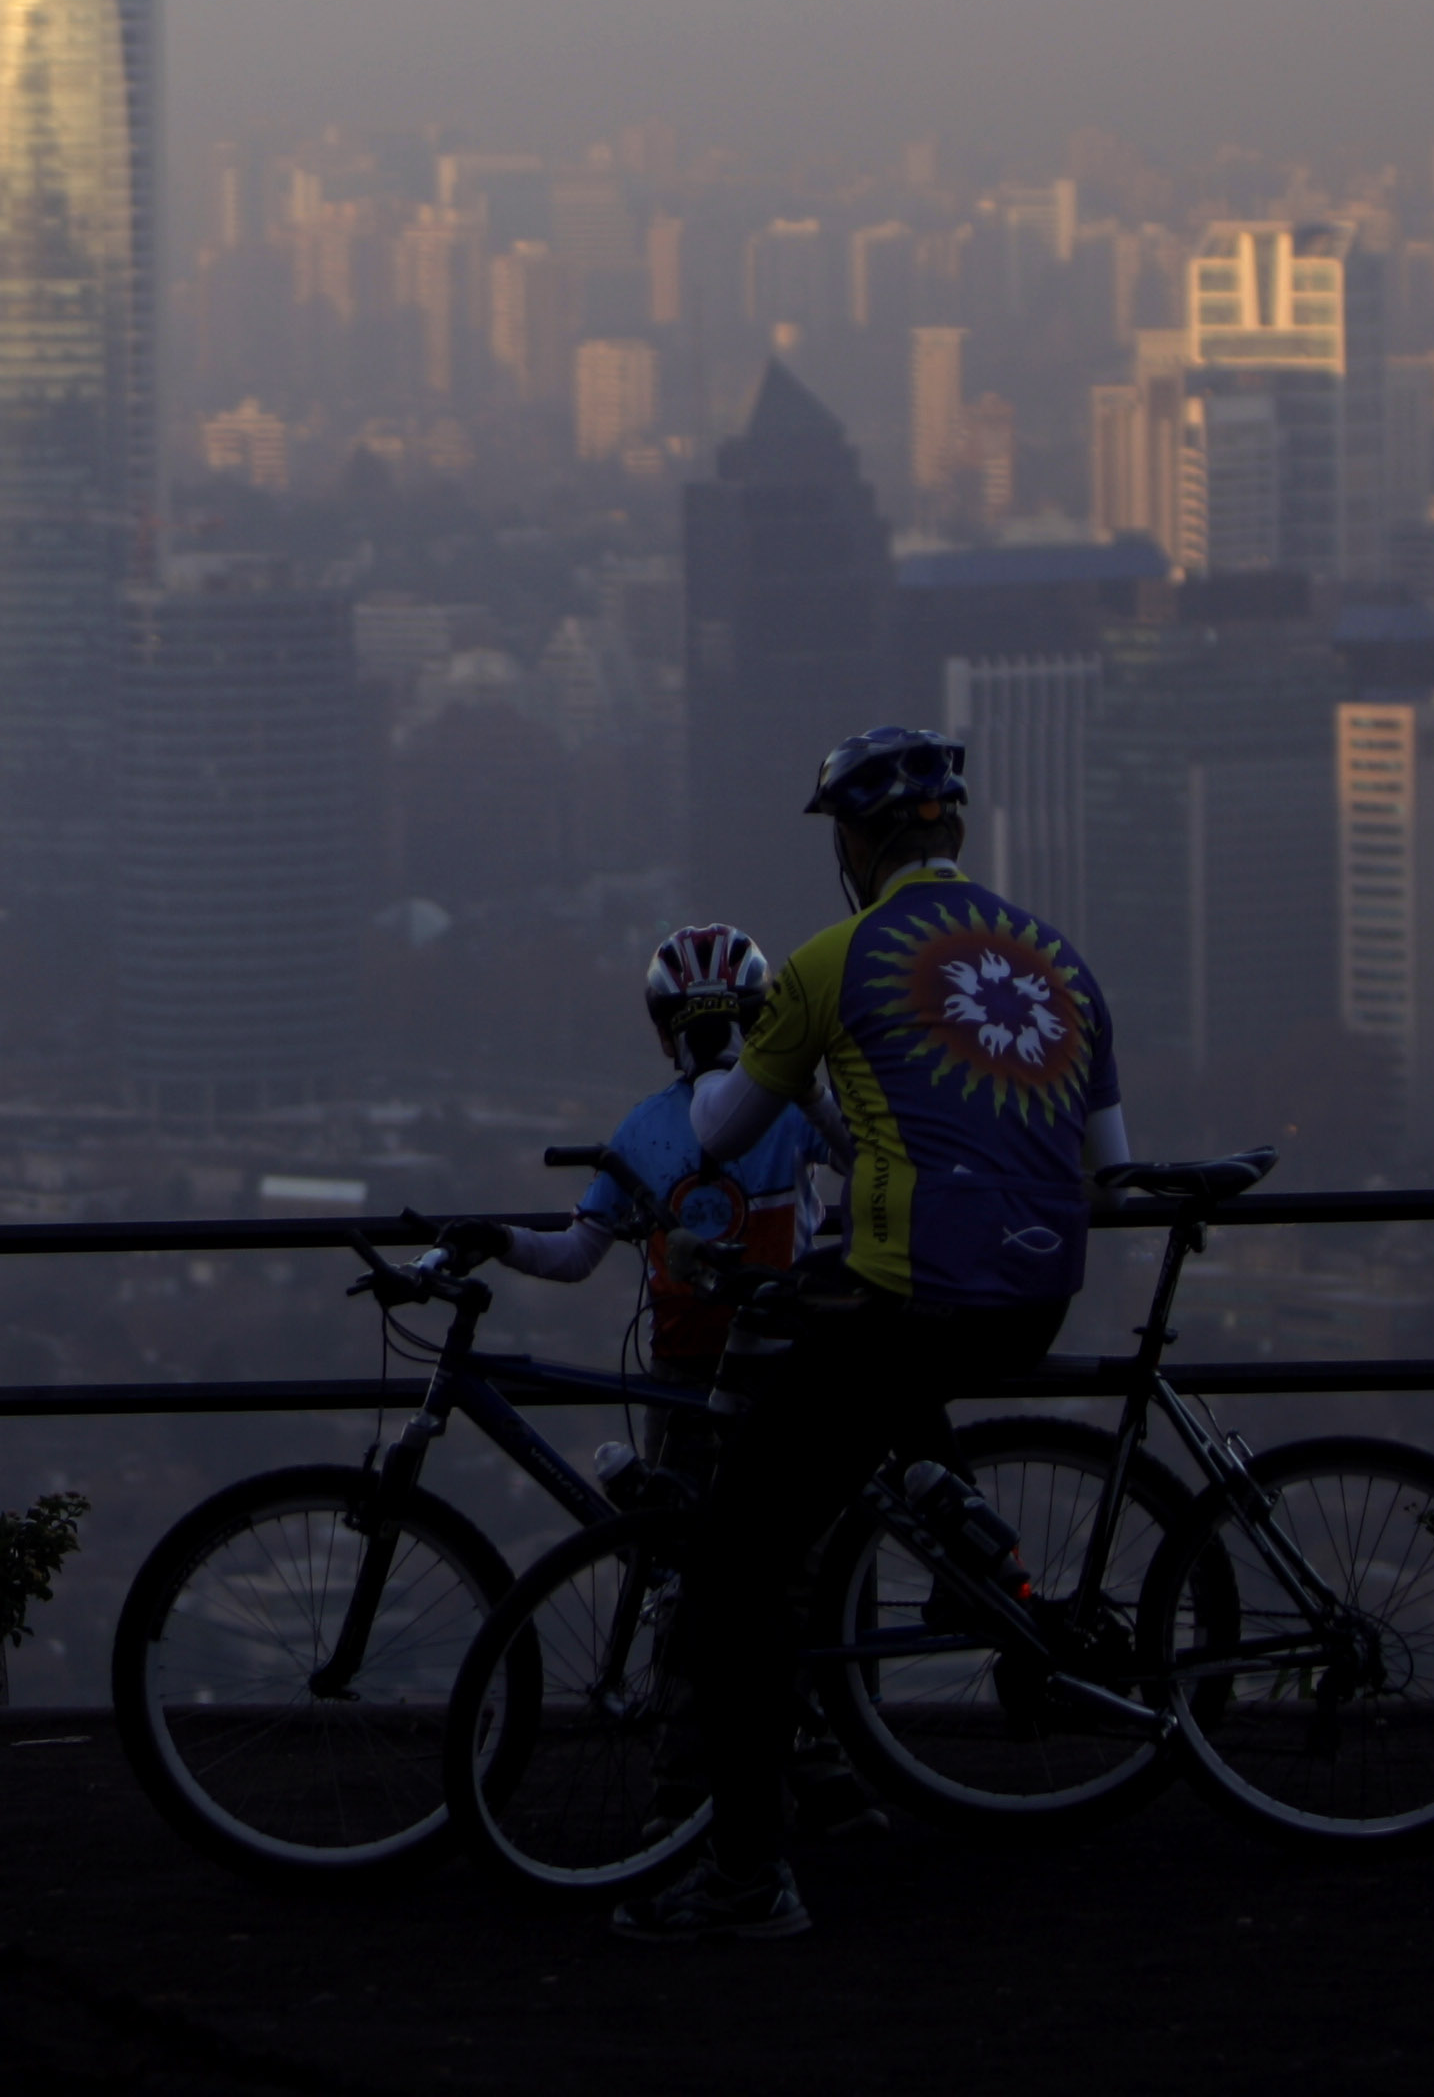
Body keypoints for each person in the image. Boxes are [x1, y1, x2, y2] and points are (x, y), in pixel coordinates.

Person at [613, 724, 1126, 1947]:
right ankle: (964, 1541)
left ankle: (747, 1877)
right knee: (875, 1468)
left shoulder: (830, 960)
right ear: (953, 830)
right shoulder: (1060, 963)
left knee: (734, 1579)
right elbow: (1111, 1170)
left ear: (859, 840)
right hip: (1036, 1295)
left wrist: (793, 1074)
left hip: (907, 1305)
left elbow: (727, 1132)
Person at [442, 924, 827, 1404]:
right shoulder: (784, 1108)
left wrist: (503, 1241)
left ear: (667, 1037)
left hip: (754, 1362)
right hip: (719, 1366)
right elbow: (871, 1155)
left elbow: (575, 1254)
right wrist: (500, 1238)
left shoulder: (655, 1126)